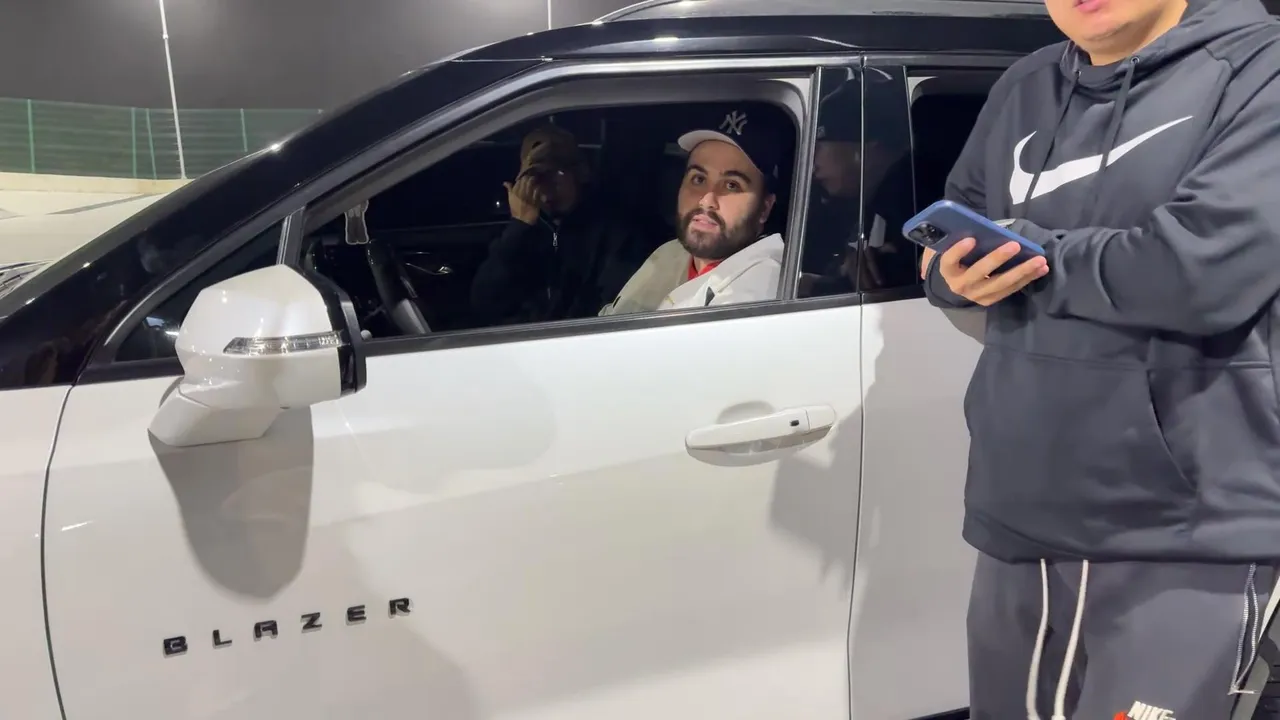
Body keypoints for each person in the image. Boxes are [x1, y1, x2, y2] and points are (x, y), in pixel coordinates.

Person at [921, 0, 1280, 717]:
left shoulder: (1260, 70)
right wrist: (951, 275)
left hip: (1186, 530)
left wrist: (1030, 257)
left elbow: (1197, 272)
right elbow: (951, 233)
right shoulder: (1026, 84)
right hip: (1019, 508)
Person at [600, 108, 788, 316]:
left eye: (732, 185)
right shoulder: (671, 253)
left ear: (764, 208)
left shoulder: (758, 295)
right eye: (699, 179)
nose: (706, 201)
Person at [470, 124, 654, 325]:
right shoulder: (524, 232)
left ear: (580, 174)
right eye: (534, 179)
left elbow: (611, 312)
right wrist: (518, 229)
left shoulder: (617, 232)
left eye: (554, 175)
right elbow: (485, 303)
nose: (545, 190)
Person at [802, 78, 915, 297]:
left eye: (818, 147)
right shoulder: (872, 205)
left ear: (864, 147)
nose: (811, 163)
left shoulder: (909, 204)